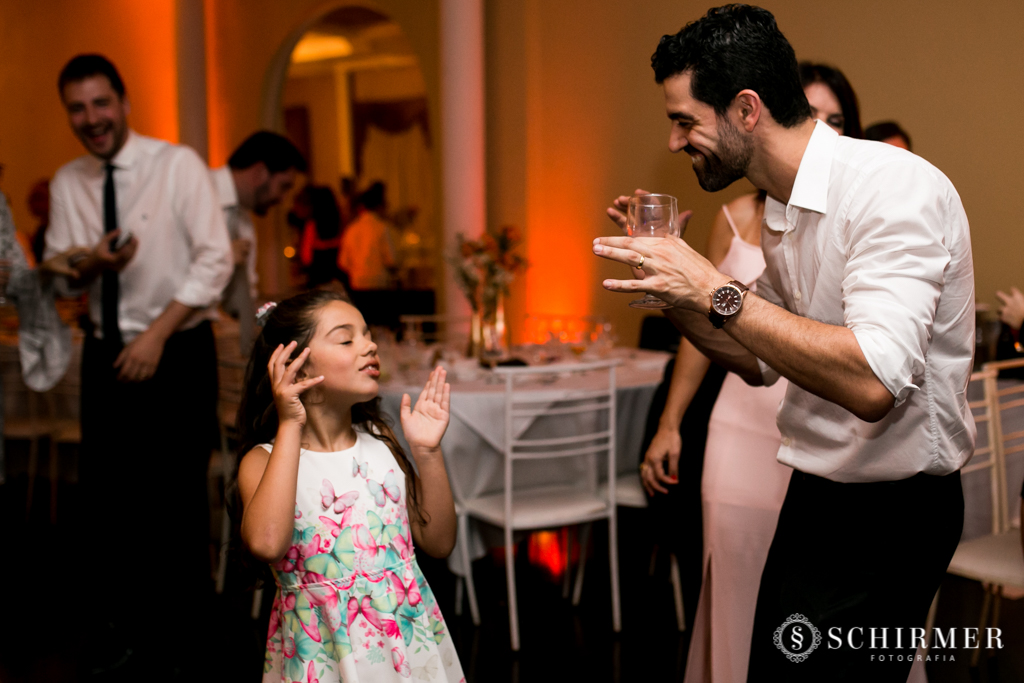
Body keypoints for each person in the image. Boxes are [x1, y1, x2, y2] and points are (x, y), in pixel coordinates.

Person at [597, 6, 973, 681]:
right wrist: (678, 294)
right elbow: (757, 357)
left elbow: (872, 383)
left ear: (746, 109)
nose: (678, 142)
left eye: (686, 121)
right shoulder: (782, 208)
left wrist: (715, 288)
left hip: (894, 508)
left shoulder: (893, 188)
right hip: (818, 491)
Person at [634, 63, 862, 683]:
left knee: (822, 606)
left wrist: (713, 293)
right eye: (813, 117)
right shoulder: (735, 216)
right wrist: (671, 421)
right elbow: (711, 333)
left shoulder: (856, 217)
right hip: (742, 420)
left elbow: (870, 370)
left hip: (825, 422)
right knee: (736, 578)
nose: (823, 131)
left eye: (836, 120)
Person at [45, 54, 232, 671]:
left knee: (175, 499)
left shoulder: (176, 165)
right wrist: (94, 262)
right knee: (109, 501)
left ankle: (186, 642)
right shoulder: (69, 181)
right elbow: (58, 274)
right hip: (106, 354)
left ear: (124, 104)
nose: (91, 119)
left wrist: (156, 335)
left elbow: (215, 261)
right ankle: (123, 632)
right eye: (78, 107)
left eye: (101, 104)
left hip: (176, 348)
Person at [236, 290, 465, 683]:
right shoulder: (264, 460)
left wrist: (427, 452)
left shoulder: (380, 443)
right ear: (298, 368)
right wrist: (290, 422)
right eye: (347, 339)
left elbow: (439, 542)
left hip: (406, 649)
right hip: (321, 656)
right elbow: (267, 543)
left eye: (367, 334)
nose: (369, 345)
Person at [211, 131, 307, 352]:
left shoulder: (244, 221)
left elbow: (242, 302)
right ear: (260, 173)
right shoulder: (196, 191)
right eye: (284, 186)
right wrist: (224, 257)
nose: (283, 200)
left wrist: (298, 312)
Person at [338, 181, 396, 290]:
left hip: (357, 283)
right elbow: (391, 260)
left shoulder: (351, 229)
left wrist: (358, 270)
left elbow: (343, 262)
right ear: (380, 206)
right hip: (380, 283)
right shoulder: (382, 227)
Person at [297, 185, 344, 287]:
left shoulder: (311, 226)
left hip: (317, 279)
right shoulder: (340, 224)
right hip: (336, 278)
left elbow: (306, 257)